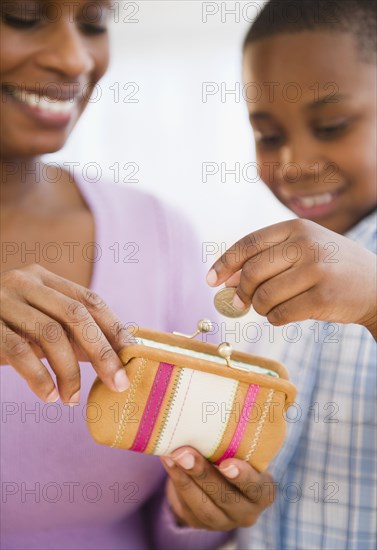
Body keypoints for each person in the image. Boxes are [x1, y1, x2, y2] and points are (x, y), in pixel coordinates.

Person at [0, 1, 275, 548]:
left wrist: (197, 511)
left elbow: (170, 516)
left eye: (95, 23)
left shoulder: (156, 231)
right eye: (24, 17)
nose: (74, 58)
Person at [207, 1, 376, 548]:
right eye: (269, 136)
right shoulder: (281, 264)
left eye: (331, 125)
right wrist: (208, 505)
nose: (294, 163)